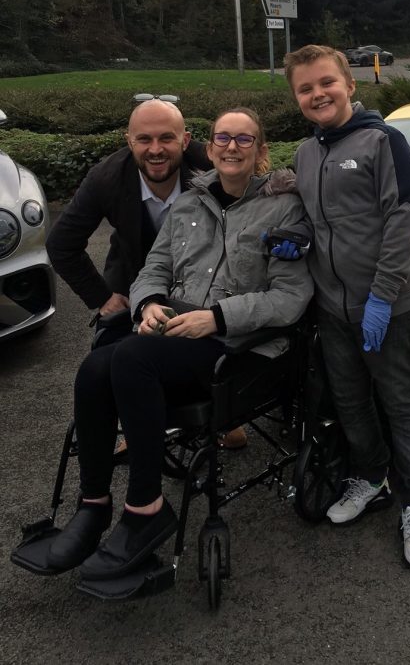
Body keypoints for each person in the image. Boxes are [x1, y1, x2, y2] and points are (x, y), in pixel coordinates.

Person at [45, 107, 313, 580]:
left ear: (261, 151)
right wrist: (147, 303)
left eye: (244, 139)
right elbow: (154, 267)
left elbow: (290, 298)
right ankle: (93, 504)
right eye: (223, 138)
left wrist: (216, 318)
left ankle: (145, 509)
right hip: (177, 332)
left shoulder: (284, 209)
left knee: (132, 358)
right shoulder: (189, 203)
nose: (232, 147)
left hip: (238, 344)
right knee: (94, 369)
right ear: (209, 148)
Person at [283, 44, 410, 568]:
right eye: (305, 88)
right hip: (332, 308)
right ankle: (371, 479)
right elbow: (311, 215)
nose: (318, 94)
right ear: (297, 98)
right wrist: (295, 235)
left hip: (388, 307)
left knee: (402, 404)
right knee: (350, 402)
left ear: (349, 84)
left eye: (326, 82)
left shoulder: (385, 142)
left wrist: (382, 298)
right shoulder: (306, 154)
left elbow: (404, 219)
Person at [46, 98, 248, 449]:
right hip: (134, 277)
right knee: (114, 354)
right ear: (129, 141)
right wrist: (101, 297)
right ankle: (138, 420)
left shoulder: (212, 164)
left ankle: (223, 414)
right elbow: (61, 244)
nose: (155, 149)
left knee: (205, 346)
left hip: (202, 278)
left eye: (166, 138)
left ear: (185, 141)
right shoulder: (106, 178)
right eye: (144, 139)